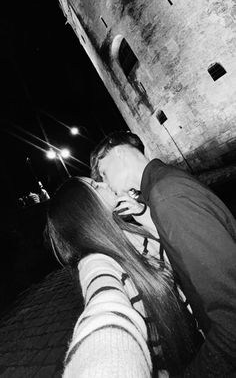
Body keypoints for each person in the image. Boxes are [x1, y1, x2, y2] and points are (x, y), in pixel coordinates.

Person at [90, 130, 236, 377]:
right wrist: (143, 213)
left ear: (121, 153)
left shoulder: (166, 194)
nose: (106, 184)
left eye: (104, 173)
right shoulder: (164, 183)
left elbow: (231, 318)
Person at [46, 176, 201, 377]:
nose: (104, 183)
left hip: (198, 336)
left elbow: (176, 250)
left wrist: (143, 213)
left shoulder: (126, 231)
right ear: (85, 207)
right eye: (94, 185)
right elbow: (104, 307)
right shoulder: (95, 262)